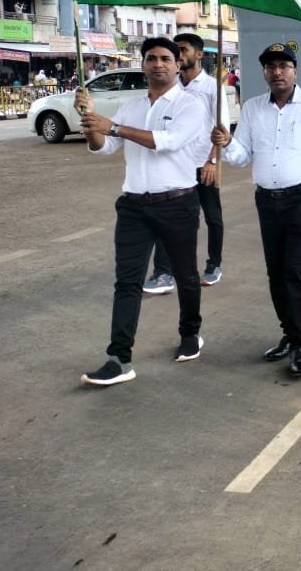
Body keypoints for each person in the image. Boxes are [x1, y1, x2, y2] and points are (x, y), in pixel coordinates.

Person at [212, 43, 301, 378]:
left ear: (295, 71)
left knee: (297, 268)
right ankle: (289, 334)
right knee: (275, 270)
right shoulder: (252, 108)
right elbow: (244, 156)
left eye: (284, 66)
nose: (277, 72)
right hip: (267, 200)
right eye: (270, 66)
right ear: (263, 72)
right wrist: (227, 143)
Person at [76, 37, 207, 386]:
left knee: (185, 275)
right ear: (143, 64)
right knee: (127, 282)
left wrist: (112, 127)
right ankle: (119, 358)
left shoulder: (190, 105)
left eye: (166, 58)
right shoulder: (131, 106)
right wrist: (92, 127)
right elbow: (104, 148)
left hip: (177, 203)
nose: (158, 64)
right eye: (151, 58)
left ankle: (190, 332)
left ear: (178, 64)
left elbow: (168, 142)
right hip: (134, 205)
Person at [142, 32, 230, 294]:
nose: (179, 55)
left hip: (204, 164)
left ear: (199, 54)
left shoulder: (212, 87)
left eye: (183, 50)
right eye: (176, 50)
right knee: (168, 217)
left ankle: (213, 265)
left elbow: (221, 127)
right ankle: (163, 273)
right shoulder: (173, 87)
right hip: (176, 163)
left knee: (212, 216)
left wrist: (213, 160)